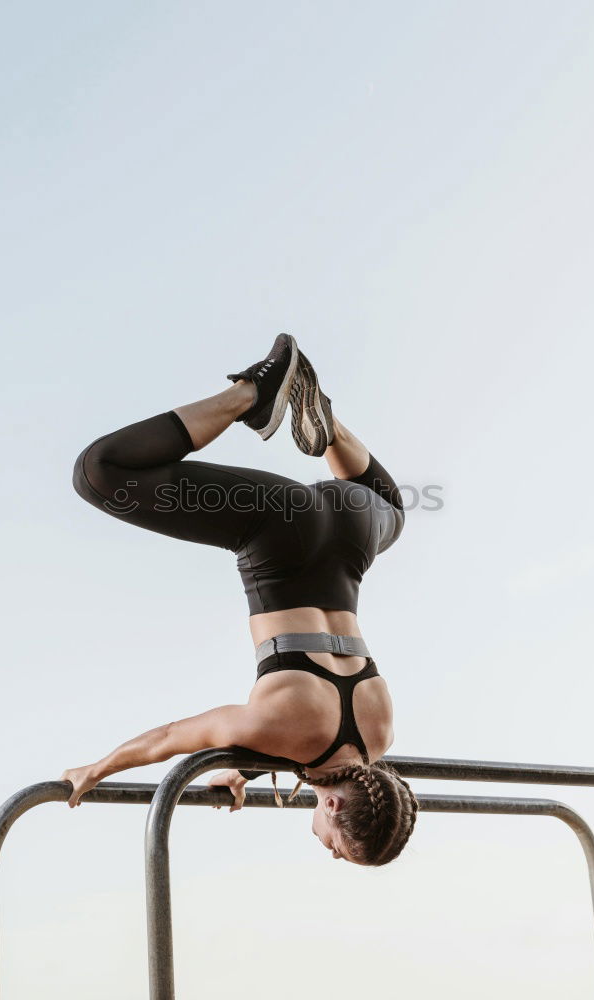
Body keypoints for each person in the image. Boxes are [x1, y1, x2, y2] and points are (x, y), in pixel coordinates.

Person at [60, 334, 417, 866]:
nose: (333, 855)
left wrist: (244, 769)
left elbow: (311, 740)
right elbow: (171, 737)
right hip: (281, 529)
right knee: (102, 472)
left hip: (354, 527)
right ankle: (253, 395)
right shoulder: (280, 732)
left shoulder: (380, 732)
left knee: (393, 508)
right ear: (337, 805)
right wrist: (97, 768)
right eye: (341, 849)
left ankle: (328, 425)